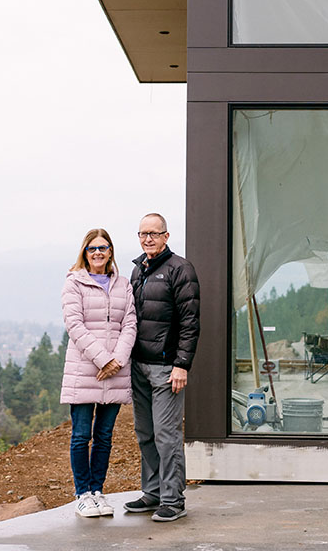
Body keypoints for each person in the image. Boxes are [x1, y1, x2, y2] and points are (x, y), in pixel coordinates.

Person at [124, 212, 200, 522]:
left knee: (166, 435)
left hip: (167, 368)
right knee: (145, 432)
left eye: (154, 233)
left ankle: (173, 501)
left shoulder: (180, 270)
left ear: (166, 236)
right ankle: (153, 493)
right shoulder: (137, 270)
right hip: (138, 366)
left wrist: (182, 364)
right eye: (143, 233)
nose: (148, 239)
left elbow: (190, 322)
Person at [60, 228, 137, 518]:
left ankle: (97, 491)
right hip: (85, 370)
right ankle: (82, 494)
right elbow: (75, 325)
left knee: (104, 436)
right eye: (92, 248)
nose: (98, 253)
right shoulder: (73, 284)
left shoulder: (123, 284)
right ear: (85, 252)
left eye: (103, 248)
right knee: (81, 435)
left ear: (110, 252)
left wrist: (117, 360)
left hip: (115, 370)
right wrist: (104, 359)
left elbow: (130, 323)